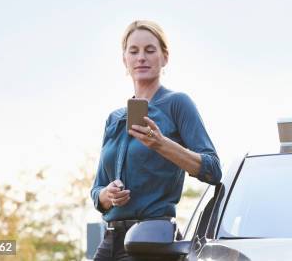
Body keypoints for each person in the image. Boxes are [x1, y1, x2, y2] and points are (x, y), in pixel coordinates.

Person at [91, 20, 222, 260]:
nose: (141, 57)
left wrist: (161, 144)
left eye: (150, 50)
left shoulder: (177, 104)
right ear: (125, 60)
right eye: (134, 51)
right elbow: (97, 188)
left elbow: (213, 170)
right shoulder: (115, 118)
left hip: (150, 240)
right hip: (109, 241)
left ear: (165, 57)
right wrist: (107, 195)